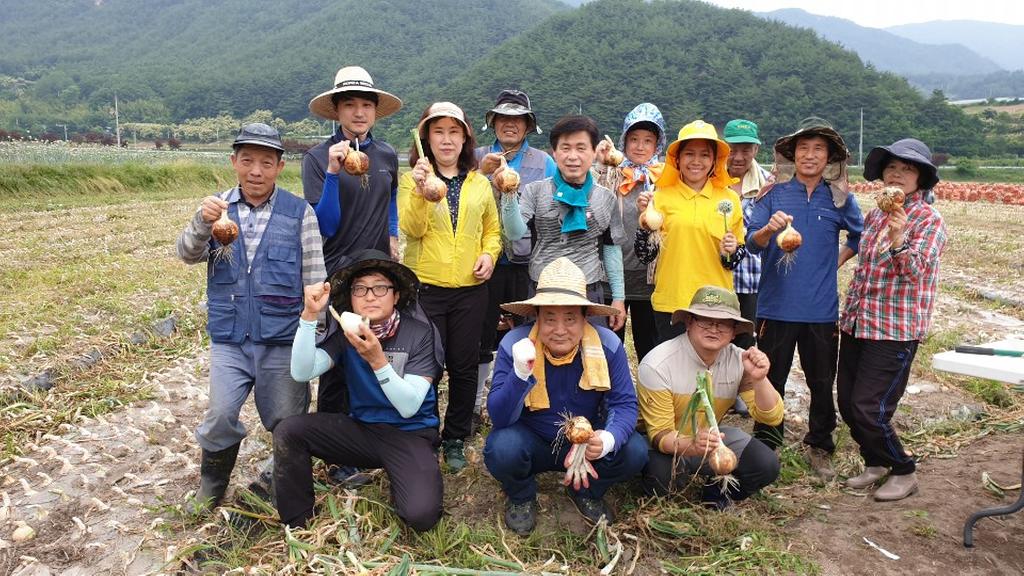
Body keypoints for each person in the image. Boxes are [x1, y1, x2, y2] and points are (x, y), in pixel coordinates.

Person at [175, 123, 326, 511]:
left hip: (281, 337)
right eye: (247, 161)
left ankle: (282, 481)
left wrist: (314, 335)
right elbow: (188, 254)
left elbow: (314, 277)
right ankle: (212, 484)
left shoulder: (300, 213)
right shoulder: (216, 209)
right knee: (220, 414)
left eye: (265, 163)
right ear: (234, 162)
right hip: (230, 337)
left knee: (286, 420)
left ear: (280, 167)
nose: (255, 171)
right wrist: (201, 222)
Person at [273, 250, 443, 530]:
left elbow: (409, 406)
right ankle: (298, 521)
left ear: (396, 296)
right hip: (363, 430)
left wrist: (378, 360)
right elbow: (302, 371)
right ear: (351, 298)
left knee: (420, 516)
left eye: (380, 288)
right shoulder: (347, 334)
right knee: (289, 431)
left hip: (410, 434)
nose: (370, 296)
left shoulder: (420, 333)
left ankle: (410, 473)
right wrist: (309, 315)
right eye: (360, 289)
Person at [484, 258, 648, 536]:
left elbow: (624, 404)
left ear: (585, 318)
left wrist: (606, 440)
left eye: (570, 318)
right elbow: (499, 417)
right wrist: (520, 373)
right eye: (550, 318)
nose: (560, 330)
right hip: (533, 439)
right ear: (537, 317)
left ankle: (586, 490)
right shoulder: (515, 344)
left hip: (586, 443)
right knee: (501, 448)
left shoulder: (608, 345)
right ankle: (521, 495)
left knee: (635, 450)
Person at [745, 117, 864, 481]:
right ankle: (766, 444)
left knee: (821, 380)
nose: (810, 155)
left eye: (818, 149)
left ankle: (820, 445)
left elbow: (859, 236)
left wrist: (835, 261)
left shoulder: (840, 198)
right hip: (775, 308)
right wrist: (768, 230)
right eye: (803, 149)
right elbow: (752, 243)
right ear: (792, 155)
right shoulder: (773, 194)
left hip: (821, 310)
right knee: (771, 378)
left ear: (829, 158)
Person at [302, 66, 404, 467]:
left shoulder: (386, 155)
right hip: (338, 271)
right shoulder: (317, 158)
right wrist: (332, 172)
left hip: (377, 271)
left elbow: (391, 198)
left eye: (366, 105)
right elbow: (324, 224)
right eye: (350, 105)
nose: (359, 113)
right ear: (336, 111)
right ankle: (335, 452)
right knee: (337, 360)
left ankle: (374, 434)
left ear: (375, 111)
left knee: (376, 352)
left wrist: (392, 234)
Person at [837, 138, 947, 501]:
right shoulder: (874, 216)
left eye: (907, 169)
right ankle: (875, 462)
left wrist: (899, 238)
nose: (897, 174)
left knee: (871, 408)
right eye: (891, 168)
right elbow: (865, 269)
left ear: (921, 178)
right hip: (858, 322)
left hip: (894, 330)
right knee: (847, 403)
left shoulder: (928, 220)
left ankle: (903, 469)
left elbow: (915, 272)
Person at [399, 101, 502, 472]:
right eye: (438, 131)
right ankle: (424, 433)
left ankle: (455, 436)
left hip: (470, 290)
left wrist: (489, 255)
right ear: (426, 138)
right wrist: (420, 190)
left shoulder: (479, 183)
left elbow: (492, 231)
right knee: (425, 365)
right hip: (426, 288)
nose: (446, 139)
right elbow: (411, 229)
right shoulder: (411, 180)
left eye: (454, 132)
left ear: (465, 138)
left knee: (464, 364)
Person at [638, 286, 783, 508]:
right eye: (705, 321)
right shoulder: (658, 364)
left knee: (766, 465)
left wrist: (760, 379)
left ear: (734, 331)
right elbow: (660, 435)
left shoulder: (739, 361)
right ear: (689, 322)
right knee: (663, 479)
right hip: (664, 443)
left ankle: (716, 492)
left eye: (723, 323)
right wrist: (693, 445)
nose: (714, 329)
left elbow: (771, 418)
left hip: (710, 438)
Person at [473, 89, 557, 431]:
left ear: (528, 125)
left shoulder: (543, 162)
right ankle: (475, 405)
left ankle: (526, 402)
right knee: (481, 335)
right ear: (493, 122)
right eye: (503, 118)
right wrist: (479, 173)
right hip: (483, 261)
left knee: (528, 334)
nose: (510, 124)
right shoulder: (477, 156)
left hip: (527, 261)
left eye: (518, 119)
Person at [502, 115, 628, 332]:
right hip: (542, 289)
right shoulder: (535, 191)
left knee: (589, 349)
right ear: (554, 152)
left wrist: (618, 298)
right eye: (565, 148)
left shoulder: (606, 198)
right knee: (539, 349)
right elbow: (514, 233)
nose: (572, 156)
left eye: (581, 148)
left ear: (594, 152)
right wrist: (508, 193)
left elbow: (612, 249)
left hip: (588, 291)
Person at [634, 120, 745, 344]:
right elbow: (646, 256)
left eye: (704, 155)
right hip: (672, 302)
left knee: (710, 366)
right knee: (672, 365)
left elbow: (732, 261)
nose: (696, 161)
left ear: (714, 160)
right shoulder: (660, 196)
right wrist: (645, 225)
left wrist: (731, 251)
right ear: (677, 159)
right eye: (689, 154)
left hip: (715, 304)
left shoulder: (729, 199)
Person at [592, 103, 667, 362]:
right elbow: (591, 195)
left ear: (658, 144)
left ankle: (649, 387)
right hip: (612, 274)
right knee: (609, 346)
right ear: (624, 141)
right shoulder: (611, 173)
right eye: (633, 139)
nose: (640, 146)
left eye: (648, 140)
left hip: (650, 277)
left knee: (651, 347)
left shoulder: (665, 179)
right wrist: (600, 163)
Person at [722, 119, 771, 351]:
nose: (738, 157)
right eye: (732, 150)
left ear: (756, 150)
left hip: (752, 280)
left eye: (746, 150)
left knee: (745, 344)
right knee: (713, 340)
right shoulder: (710, 180)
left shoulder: (768, 184)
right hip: (716, 278)